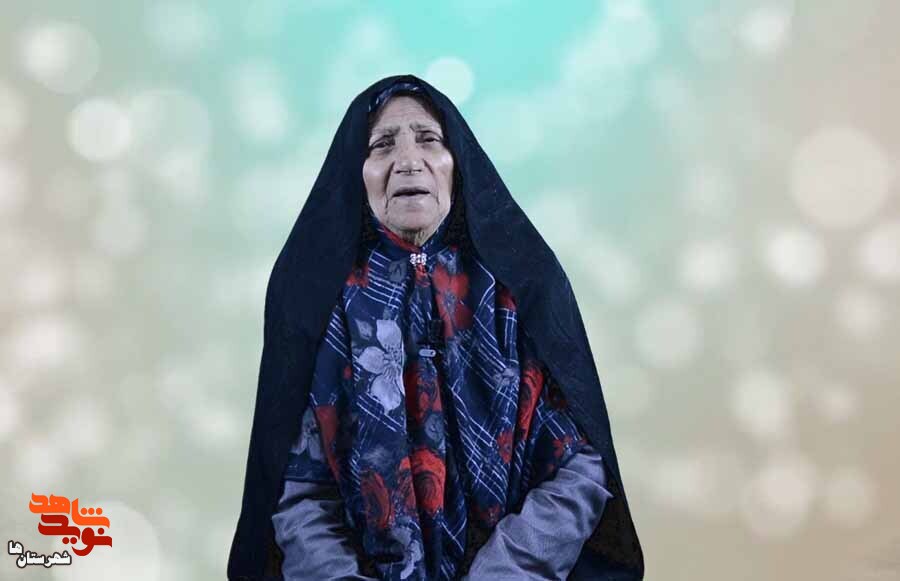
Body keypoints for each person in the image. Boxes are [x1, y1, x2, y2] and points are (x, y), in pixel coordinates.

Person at [227, 74, 644, 581]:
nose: (408, 160)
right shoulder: (319, 303)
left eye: (428, 139)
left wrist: (505, 572)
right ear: (358, 173)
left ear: (456, 164)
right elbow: (299, 490)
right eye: (383, 144)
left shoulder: (517, 289)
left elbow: (578, 467)